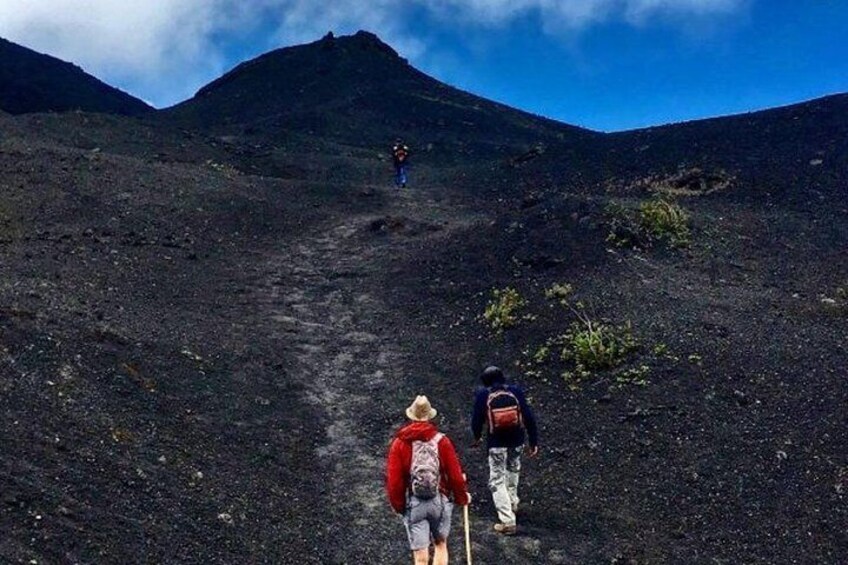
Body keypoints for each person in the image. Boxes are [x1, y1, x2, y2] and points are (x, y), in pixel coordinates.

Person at [387, 395, 470, 565]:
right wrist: (462, 497)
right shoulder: (442, 441)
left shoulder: (400, 443)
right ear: (429, 416)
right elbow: (455, 475)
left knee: (421, 557)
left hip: (415, 503)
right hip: (439, 501)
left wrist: (400, 506)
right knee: (440, 545)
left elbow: (394, 481)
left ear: (411, 416)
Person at [471, 366, 539, 535]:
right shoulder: (515, 391)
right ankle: (513, 503)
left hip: (496, 443)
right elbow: (528, 417)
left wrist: (477, 436)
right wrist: (533, 441)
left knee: (497, 479)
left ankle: (507, 521)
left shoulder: (483, 395)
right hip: (517, 439)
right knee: (513, 468)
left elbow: (476, 420)